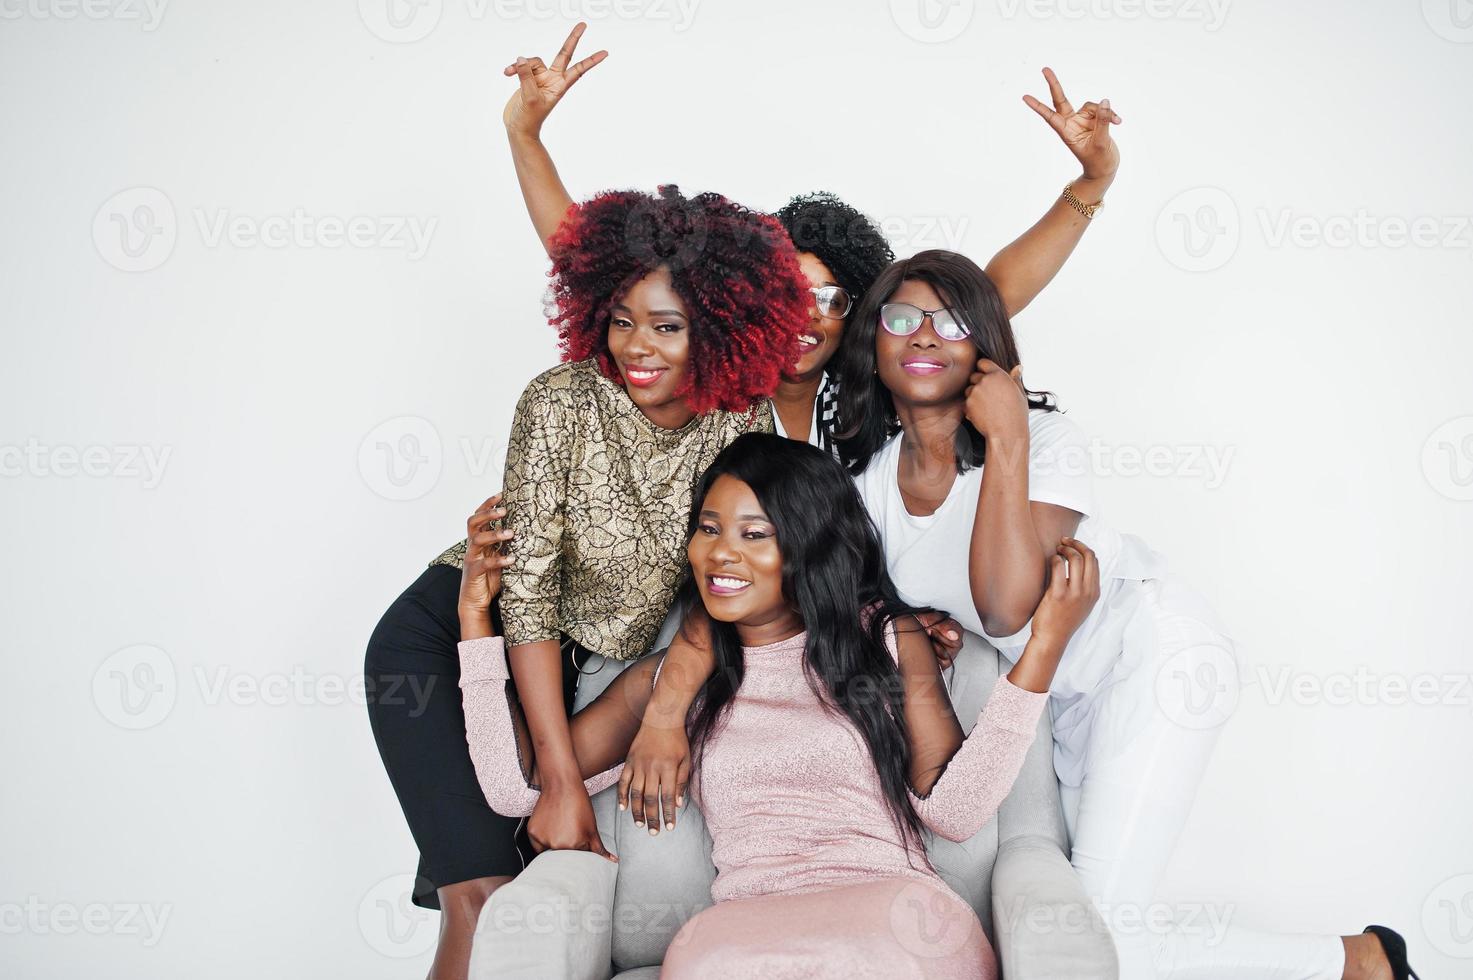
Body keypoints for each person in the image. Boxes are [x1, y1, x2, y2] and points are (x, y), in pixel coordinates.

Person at [834, 248, 1417, 980]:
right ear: (874, 343)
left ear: (985, 348)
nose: (923, 334)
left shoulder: (1046, 440)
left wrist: (1008, 437)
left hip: (1154, 657)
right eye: (901, 317)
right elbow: (900, 599)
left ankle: (1360, 964)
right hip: (1064, 700)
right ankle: (1356, 961)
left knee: (1102, 938)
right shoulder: (867, 485)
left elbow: (1007, 602)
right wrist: (917, 620)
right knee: (1090, 925)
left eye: (949, 321)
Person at [455, 434, 1104, 978]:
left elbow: (955, 811)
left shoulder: (884, 639)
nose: (720, 553)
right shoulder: (670, 681)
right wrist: (474, 622)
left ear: (806, 547)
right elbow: (517, 789)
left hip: (890, 915)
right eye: (707, 529)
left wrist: (1041, 650)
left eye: (752, 533)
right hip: (744, 932)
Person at [363, 183, 806, 980]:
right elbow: (524, 596)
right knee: (484, 901)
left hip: (579, 665)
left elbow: (728, 574)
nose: (638, 346)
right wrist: (562, 781)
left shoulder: (742, 418)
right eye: (623, 319)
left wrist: (667, 705)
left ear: (720, 330)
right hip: (452, 639)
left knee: (522, 905)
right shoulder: (558, 401)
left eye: (667, 327)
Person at [500, 21, 1124, 454]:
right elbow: (595, 267)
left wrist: (1094, 180)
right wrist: (525, 136)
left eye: (833, 300)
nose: (810, 316)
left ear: (858, 313)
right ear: (753, 294)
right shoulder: (716, 373)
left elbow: (992, 291)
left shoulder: (866, 391)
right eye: (793, 292)